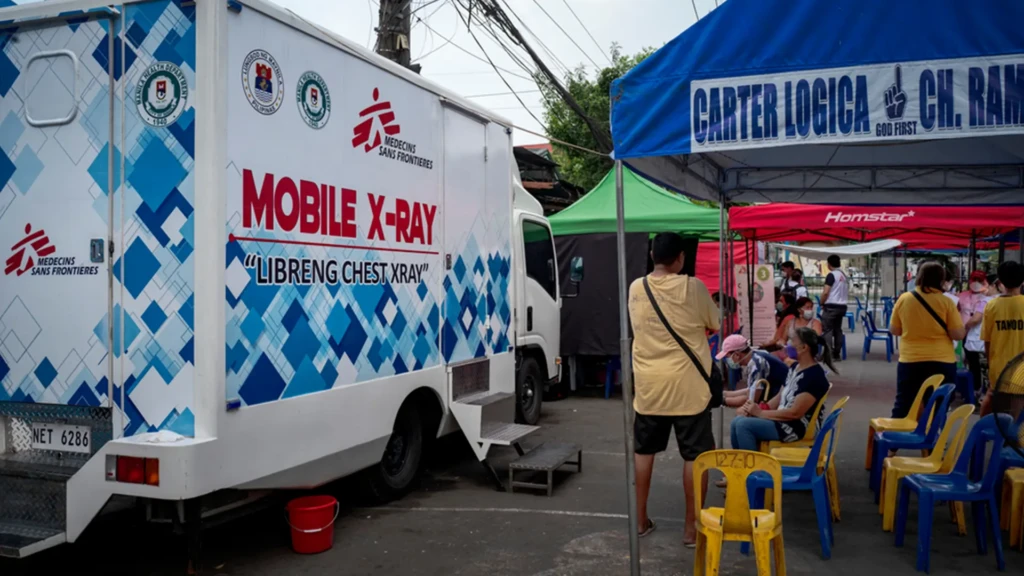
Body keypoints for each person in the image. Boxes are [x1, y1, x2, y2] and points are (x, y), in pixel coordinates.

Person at [627, 232, 719, 546]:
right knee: (695, 455)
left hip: (649, 386)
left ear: (653, 254)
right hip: (688, 389)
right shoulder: (694, 287)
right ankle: (691, 529)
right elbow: (715, 322)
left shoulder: (636, 287)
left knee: (644, 450)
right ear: (680, 258)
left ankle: (639, 521)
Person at [729, 327, 834, 451]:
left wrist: (761, 414)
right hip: (783, 419)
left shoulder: (814, 376)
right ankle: (741, 465)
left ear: (804, 348)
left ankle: (754, 468)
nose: (787, 345)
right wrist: (759, 409)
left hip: (796, 427)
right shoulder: (795, 367)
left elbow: (795, 413)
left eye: (791, 341)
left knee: (743, 425)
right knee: (737, 421)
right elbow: (780, 396)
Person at [888, 262, 966, 418]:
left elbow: (894, 330)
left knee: (905, 401)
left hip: (911, 360)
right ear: (941, 280)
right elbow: (958, 334)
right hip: (941, 360)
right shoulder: (946, 302)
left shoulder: (905, 299)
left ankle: (896, 435)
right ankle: (933, 436)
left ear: (919, 276)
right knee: (939, 401)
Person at [980, 260, 1024, 417]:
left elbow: (987, 341)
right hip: (1021, 370)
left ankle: (979, 436)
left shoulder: (991, 306)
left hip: (999, 369)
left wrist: (991, 364)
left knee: (993, 400)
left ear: (1000, 282)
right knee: (1016, 411)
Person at [717, 335, 789, 408]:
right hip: (780, 399)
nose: (727, 360)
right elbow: (750, 390)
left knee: (741, 417)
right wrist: (725, 394)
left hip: (784, 403)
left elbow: (752, 399)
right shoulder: (755, 356)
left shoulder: (757, 364)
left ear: (737, 354)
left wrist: (721, 401)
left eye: (727, 357)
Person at [960, 271, 993, 397]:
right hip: (966, 336)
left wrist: (966, 326)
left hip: (979, 337)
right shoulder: (961, 296)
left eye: (979, 281)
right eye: (974, 280)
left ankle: (978, 389)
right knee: (971, 362)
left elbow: (976, 319)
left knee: (979, 365)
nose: (976, 284)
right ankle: (974, 388)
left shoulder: (986, 299)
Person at [820, 255, 849, 361]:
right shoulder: (843, 275)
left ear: (829, 264)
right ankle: (837, 353)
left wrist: (821, 302)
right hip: (842, 306)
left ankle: (828, 354)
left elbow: (826, 292)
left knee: (827, 330)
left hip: (831, 306)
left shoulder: (831, 275)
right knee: (837, 330)